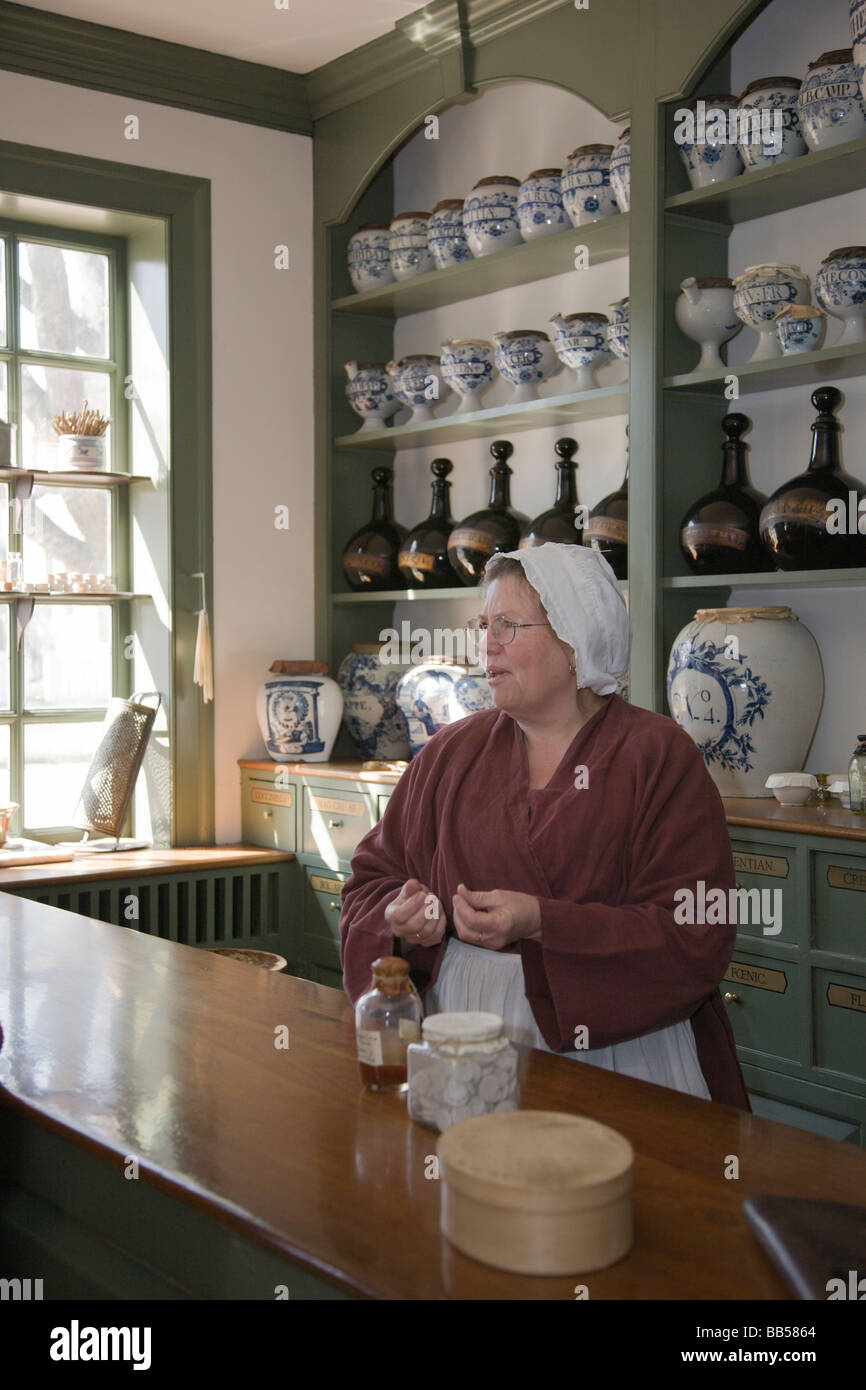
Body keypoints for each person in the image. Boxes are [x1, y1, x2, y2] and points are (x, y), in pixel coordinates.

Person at [339, 543, 749, 1108]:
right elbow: (369, 882)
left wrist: (543, 922)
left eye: (510, 625)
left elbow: (695, 932)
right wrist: (404, 921)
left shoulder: (655, 757)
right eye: (484, 625)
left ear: (576, 642)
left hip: (618, 1050)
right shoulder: (450, 752)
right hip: (464, 1039)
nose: (487, 643)